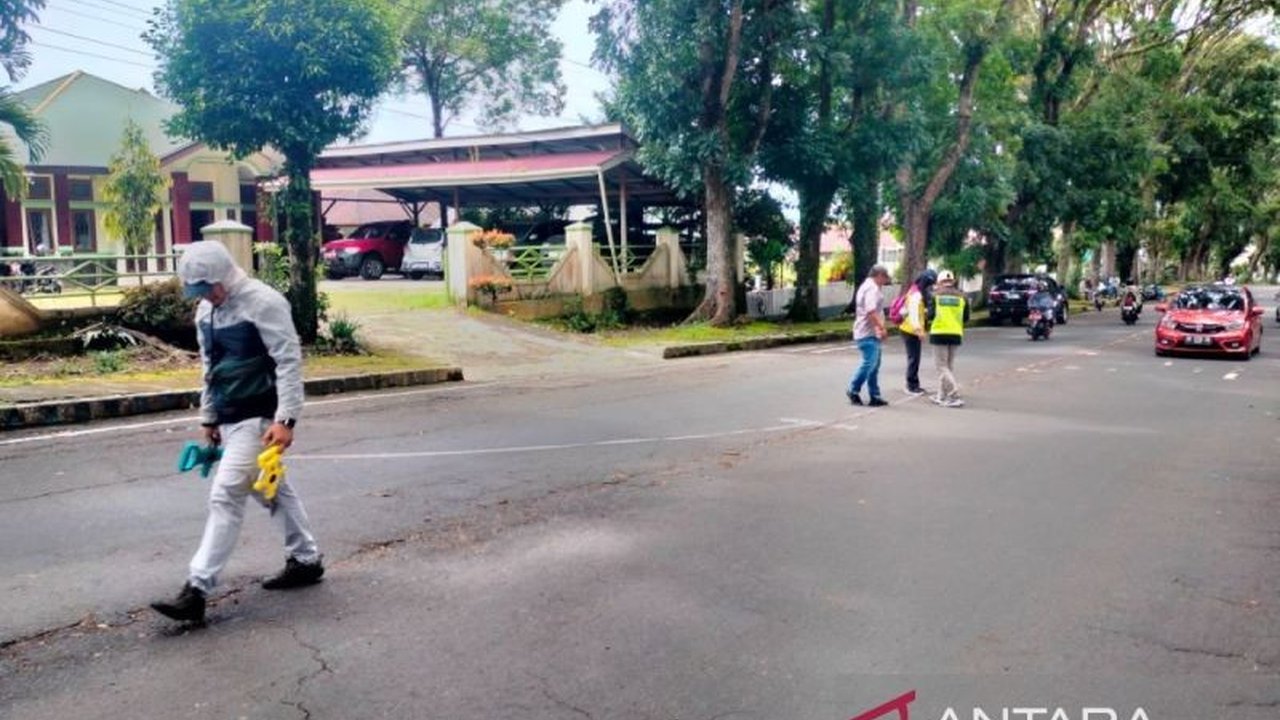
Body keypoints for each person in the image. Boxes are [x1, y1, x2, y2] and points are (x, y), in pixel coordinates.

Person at [151, 241, 324, 623]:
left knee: (227, 494)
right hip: (230, 417)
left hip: (260, 417)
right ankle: (306, 560)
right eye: (198, 292)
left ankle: (196, 589)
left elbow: (288, 361)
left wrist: (286, 419)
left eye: (208, 288)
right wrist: (210, 417)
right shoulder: (206, 312)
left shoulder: (264, 302)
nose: (206, 297)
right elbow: (210, 366)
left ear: (225, 275)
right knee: (271, 489)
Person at [846, 265, 891, 407]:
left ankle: (874, 394)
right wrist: (882, 328)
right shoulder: (872, 288)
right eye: (884, 277)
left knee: (874, 365)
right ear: (878, 275)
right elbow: (871, 311)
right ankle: (853, 389)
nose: (885, 280)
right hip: (867, 332)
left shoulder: (868, 286)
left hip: (869, 332)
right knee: (869, 363)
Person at [926, 270, 970, 408]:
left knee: (941, 366)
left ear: (940, 282)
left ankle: (954, 394)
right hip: (956, 333)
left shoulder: (935, 296)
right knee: (948, 366)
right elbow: (966, 318)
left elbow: (931, 316)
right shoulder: (963, 297)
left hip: (939, 332)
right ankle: (941, 395)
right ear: (953, 281)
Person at [898, 268, 937, 396]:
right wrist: (919, 331)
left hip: (910, 329)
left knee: (914, 358)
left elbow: (912, 311)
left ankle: (914, 384)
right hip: (911, 331)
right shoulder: (916, 294)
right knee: (914, 358)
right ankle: (911, 386)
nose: (930, 287)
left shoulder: (914, 291)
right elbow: (914, 315)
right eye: (930, 284)